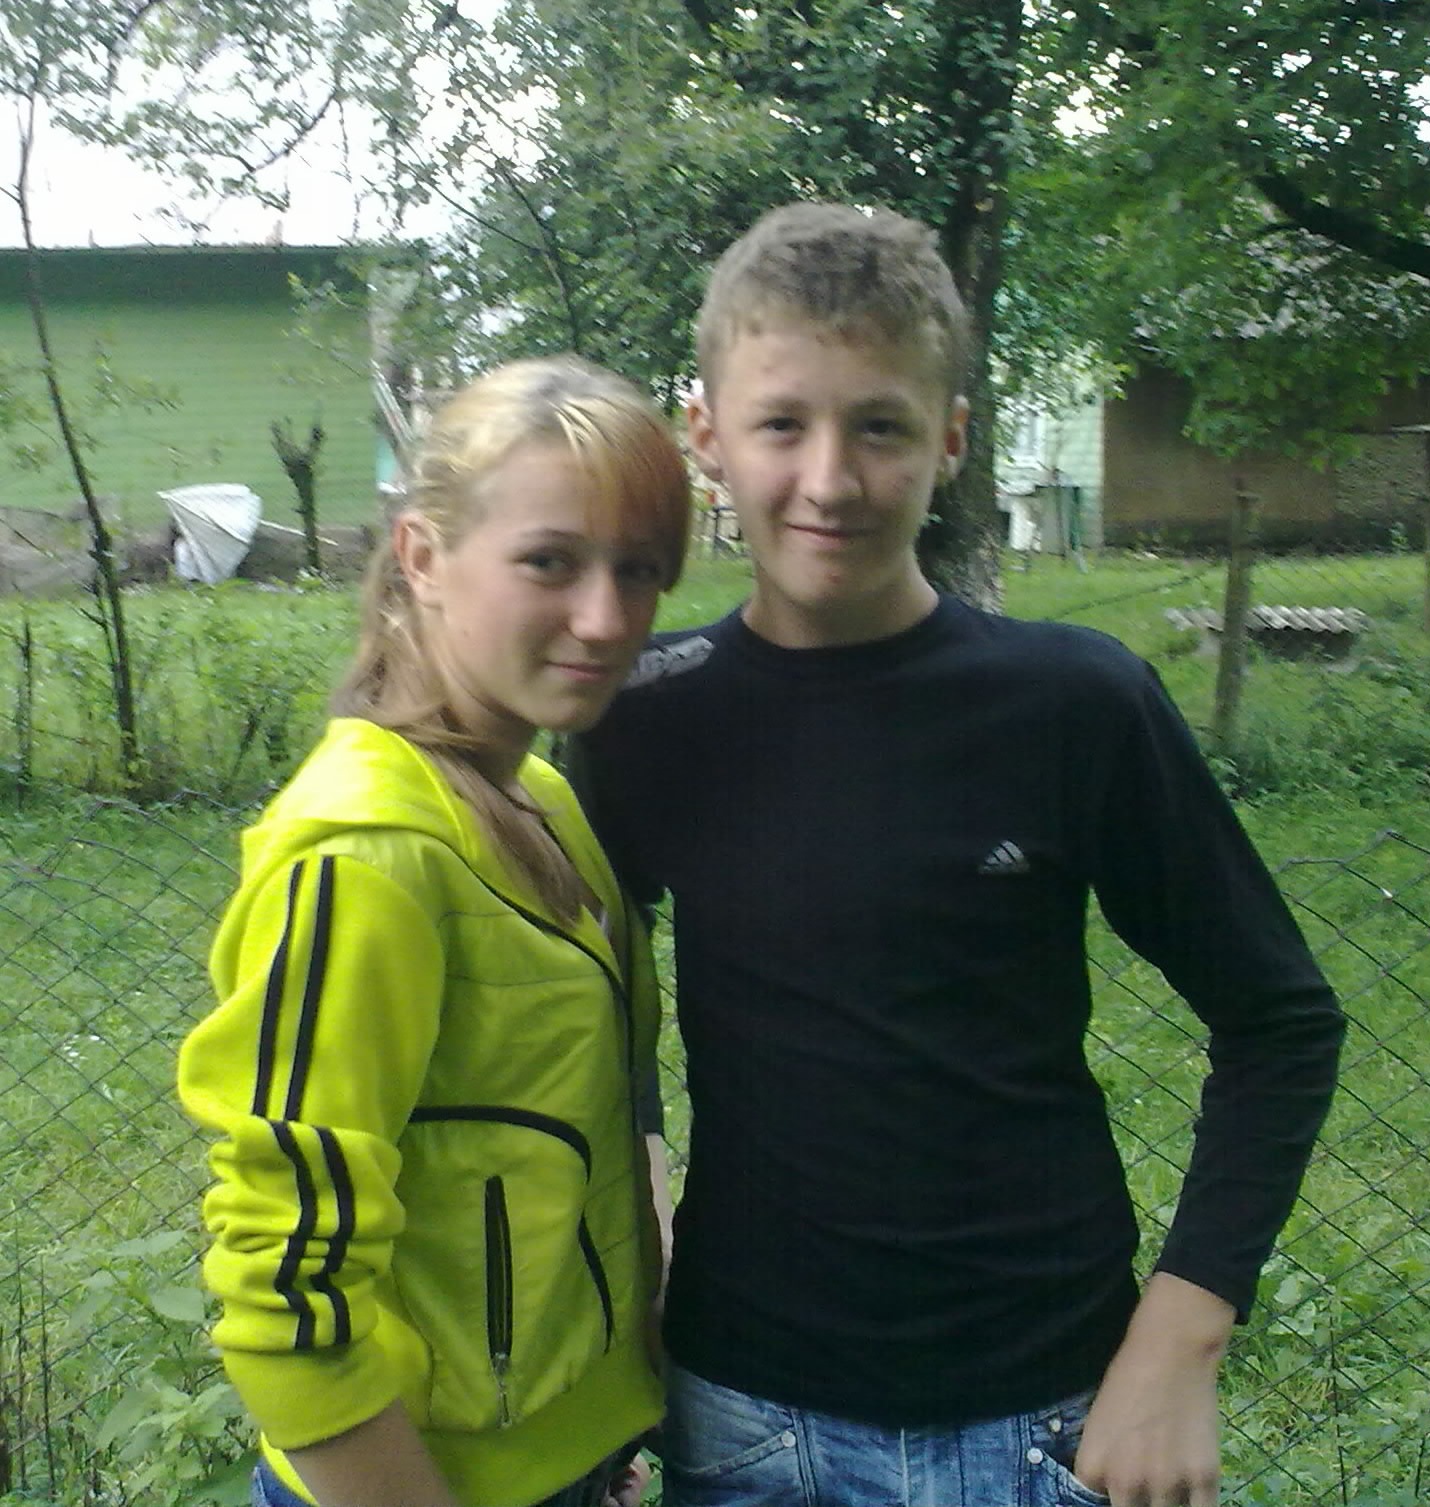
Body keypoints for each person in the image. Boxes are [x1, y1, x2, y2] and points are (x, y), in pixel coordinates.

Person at [572, 204, 1346, 1507]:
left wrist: (1179, 1335)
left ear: (949, 436)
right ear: (705, 435)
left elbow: (1278, 1018)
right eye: (780, 424)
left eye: (878, 425)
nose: (829, 479)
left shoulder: (1072, 704)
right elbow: (579, 1007)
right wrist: (637, 1216)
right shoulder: (642, 714)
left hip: (1039, 1416)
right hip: (738, 1418)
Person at [178, 356, 691, 1507]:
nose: (606, 618)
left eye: (638, 569)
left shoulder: (540, 797)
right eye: (549, 561)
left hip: (569, 1461)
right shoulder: (365, 853)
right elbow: (284, 1288)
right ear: (420, 556)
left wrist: (590, 1420)